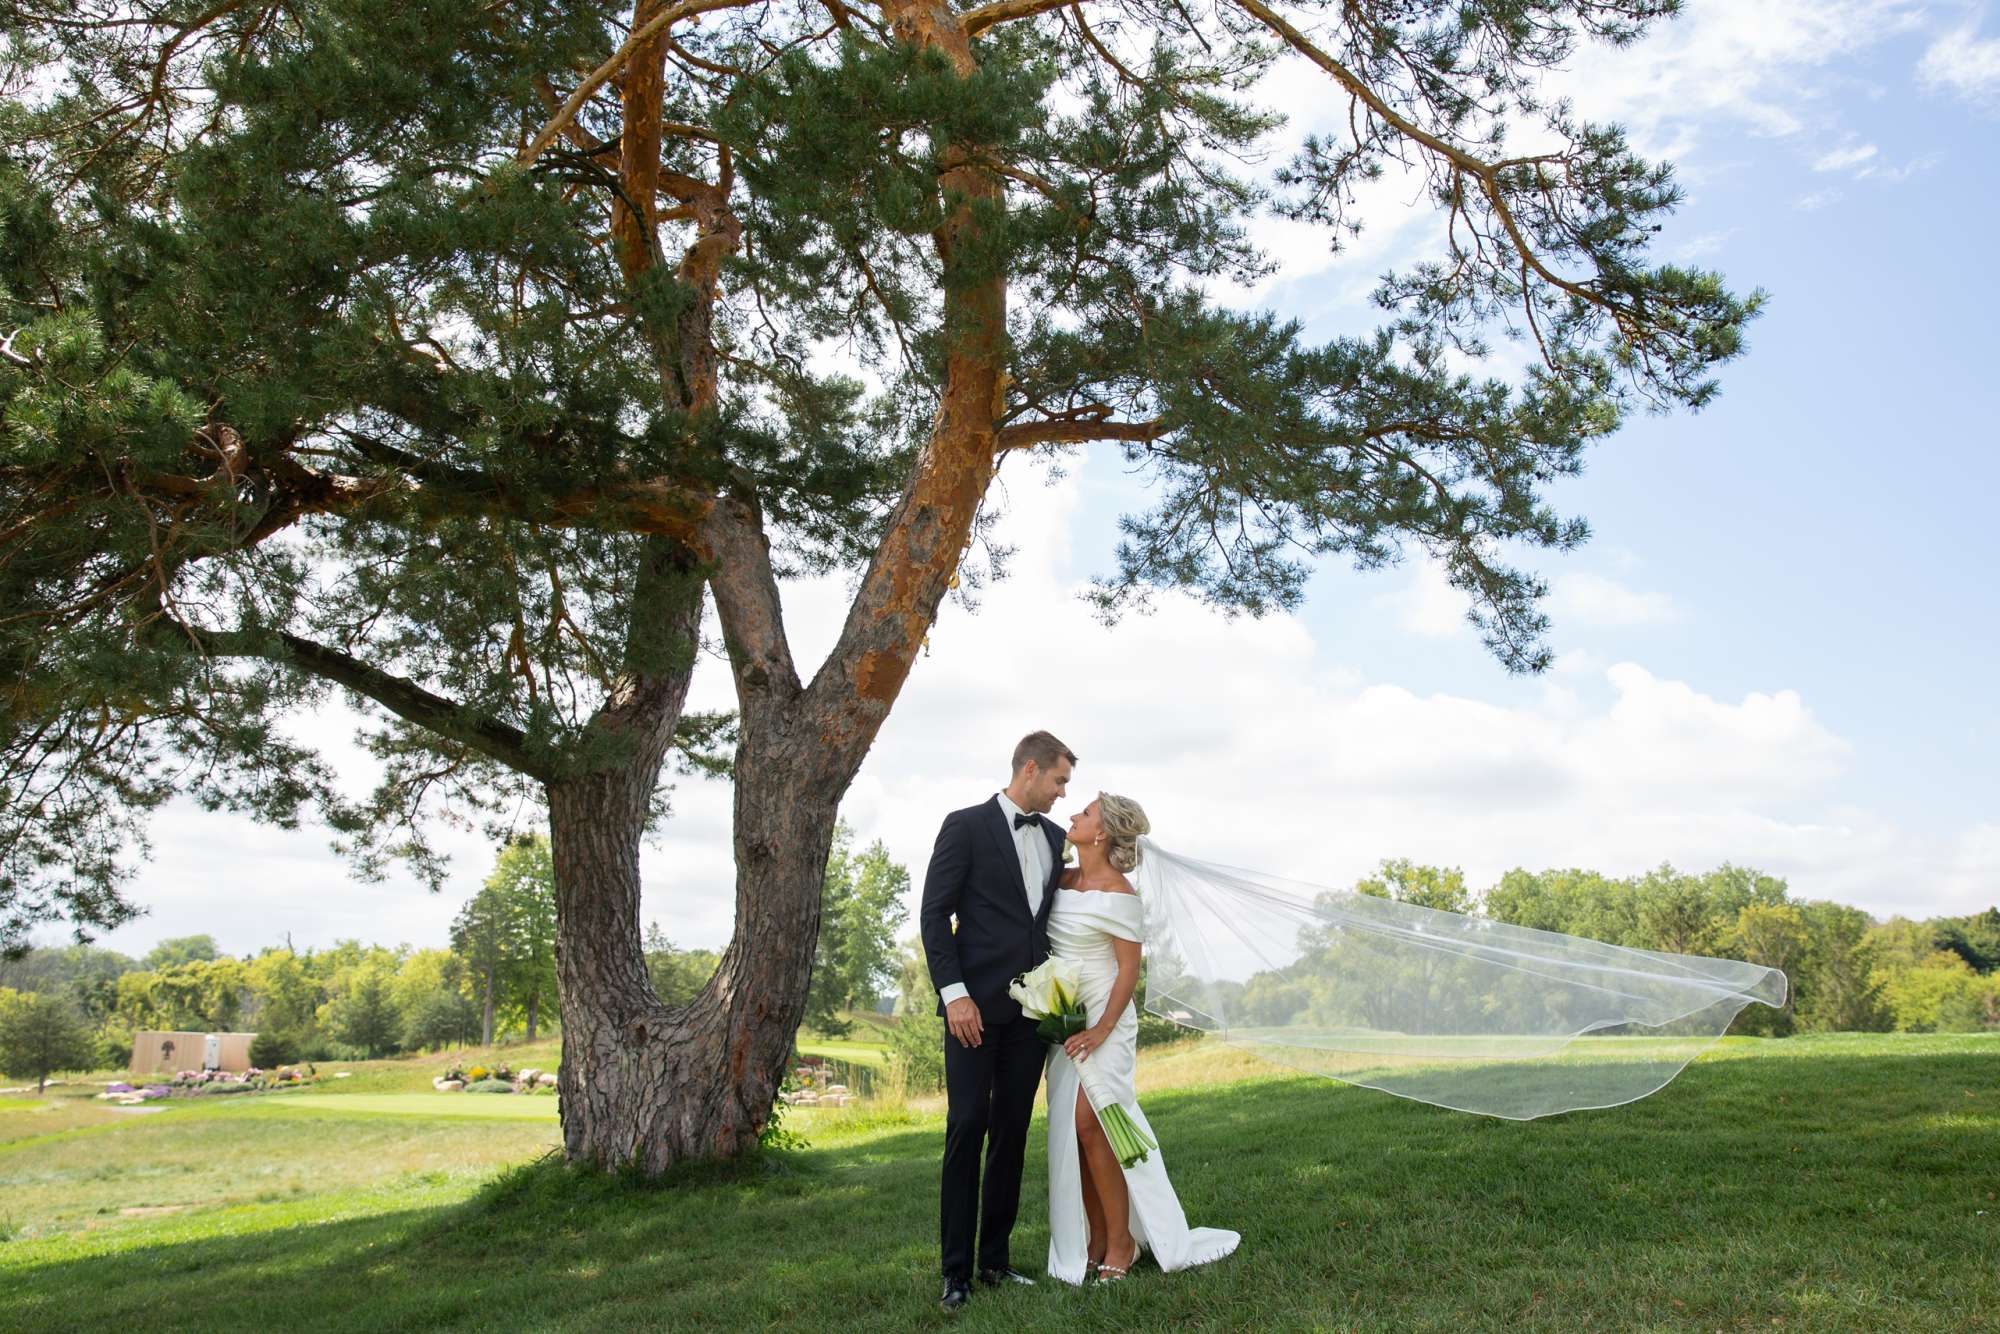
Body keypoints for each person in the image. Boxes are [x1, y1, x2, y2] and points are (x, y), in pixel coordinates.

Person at [1042, 792, 1239, 1285]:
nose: (1073, 815)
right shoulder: (1062, 879)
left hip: (1105, 1020)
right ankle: (1092, 1240)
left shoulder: (1121, 894)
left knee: (1095, 1124)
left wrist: (1101, 1029)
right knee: (1073, 1132)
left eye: (1084, 813)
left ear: (1102, 831)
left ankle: (1122, 1243)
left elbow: (1130, 971)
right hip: (1065, 1019)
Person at [919, 730, 1074, 1313]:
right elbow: (934, 916)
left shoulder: (1058, 839)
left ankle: (996, 1262)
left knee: (1012, 1133)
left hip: (1030, 1016)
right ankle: (954, 1273)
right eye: (1059, 780)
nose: (1062, 793)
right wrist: (955, 995)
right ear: (1029, 769)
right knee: (966, 1128)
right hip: (972, 1013)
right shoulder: (965, 825)